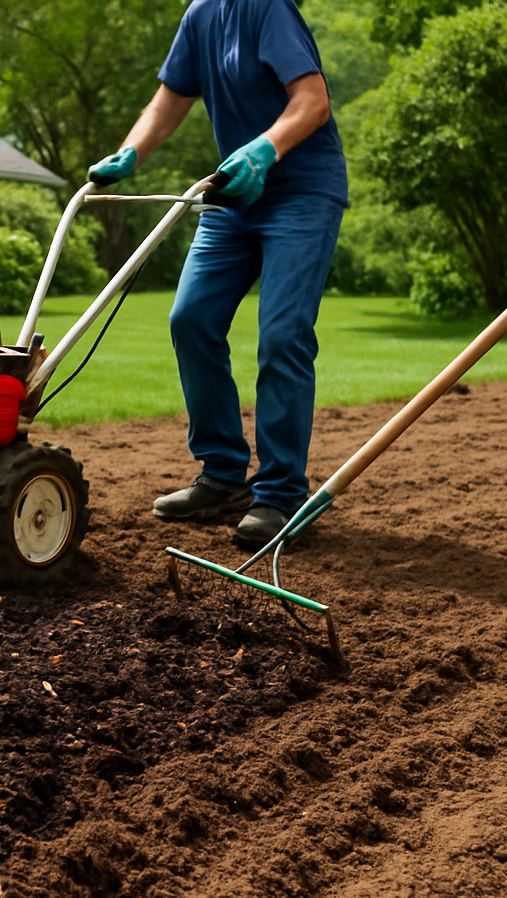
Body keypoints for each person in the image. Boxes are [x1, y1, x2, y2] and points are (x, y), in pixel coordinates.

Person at [88, 0, 347, 549]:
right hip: (232, 193)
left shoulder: (269, 7)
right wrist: (129, 154)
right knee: (191, 318)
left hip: (301, 193)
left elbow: (312, 102)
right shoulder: (200, 14)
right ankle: (224, 473)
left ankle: (279, 494)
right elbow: (169, 99)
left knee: (281, 335)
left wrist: (263, 150)